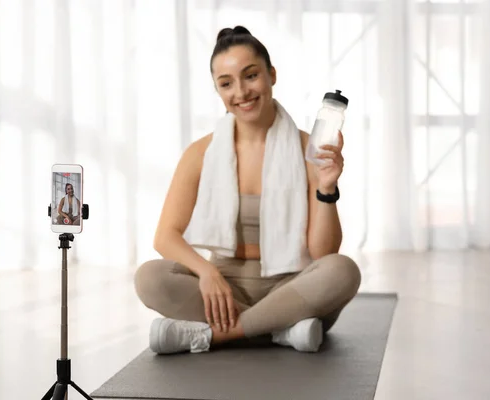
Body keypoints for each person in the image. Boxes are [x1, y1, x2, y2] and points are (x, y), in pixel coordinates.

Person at [134, 26, 361, 355]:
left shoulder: (307, 149)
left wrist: (327, 188)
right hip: (224, 288)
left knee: (343, 271)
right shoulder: (201, 153)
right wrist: (207, 272)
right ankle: (281, 329)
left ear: (271, 75)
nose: (241, 92)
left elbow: (323, 253)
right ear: (218, 90)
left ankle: (216, 335)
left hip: (291, 284)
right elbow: (165, 237)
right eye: (226, 83)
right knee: (149, 278)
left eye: (251, 76)